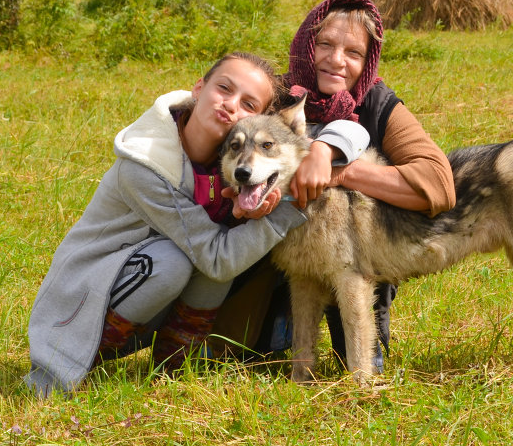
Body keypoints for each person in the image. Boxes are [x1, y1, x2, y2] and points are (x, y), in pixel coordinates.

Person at [24, 52, 367, 396]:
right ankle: (79, 359)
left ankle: (173, 364)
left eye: (248, 103)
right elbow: (217, 259)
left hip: (140, 299)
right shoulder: (146, 164)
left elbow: (354, 130)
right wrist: (291, 205)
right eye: (224, 88)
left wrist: (323, 149)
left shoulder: (232, 157)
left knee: (210, 250)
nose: (231, 105)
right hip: (78, 307)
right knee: (185, 259)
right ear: (198, 88)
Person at [212, 0, 455, 369]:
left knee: (351, 354)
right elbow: (219, 125)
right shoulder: (272, 97)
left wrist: (336, 167)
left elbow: (439, 185)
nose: (336, 60)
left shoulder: (377, 103)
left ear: (368, 61)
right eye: (325, 44)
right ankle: (275, 331)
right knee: (249, 348)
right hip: (273, 260)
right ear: (307, 44)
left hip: (354, 250)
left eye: (353, 53)